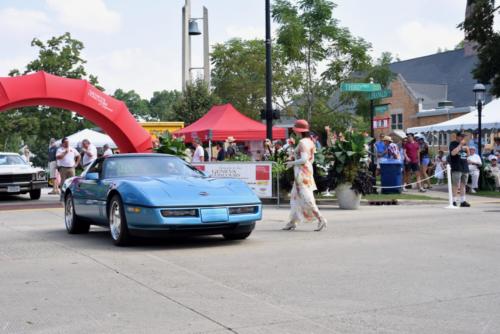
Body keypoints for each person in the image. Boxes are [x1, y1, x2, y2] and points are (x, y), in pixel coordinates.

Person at [282, 119, 327, 232]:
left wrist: (291, 163)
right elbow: (309, 160)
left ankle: (321, 219)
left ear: (298, 130)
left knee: (307, 198)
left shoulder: (302, 142)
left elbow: (303, 159)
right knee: (295, 197)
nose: (295, 132)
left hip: (301, 174)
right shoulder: (310, 141)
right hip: (305, 172)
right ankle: (292, 222)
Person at [449, 132, 471, 207]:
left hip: (464, 166)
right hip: (457, 167)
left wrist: (467, 149)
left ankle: (463, 201)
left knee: (463, 185)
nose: (463, 138)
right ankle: (454, 201)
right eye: (461, 136)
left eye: (463, 136)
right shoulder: (453, 144)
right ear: (457, 137)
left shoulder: (465, 144)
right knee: (455, 185)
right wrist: (460, 145)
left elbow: (467, 155)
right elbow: (453, 153)